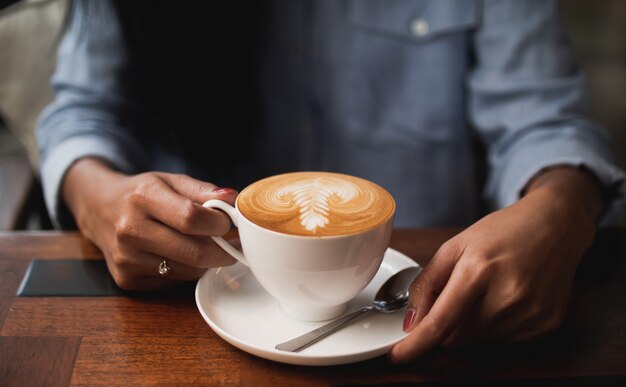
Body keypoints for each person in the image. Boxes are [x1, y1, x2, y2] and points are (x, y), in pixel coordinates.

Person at [37, 0, 625, 364]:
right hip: (186, 330)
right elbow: (83, 112)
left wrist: (562, 206)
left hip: (447, 323)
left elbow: (543, 121)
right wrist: (101, 200)